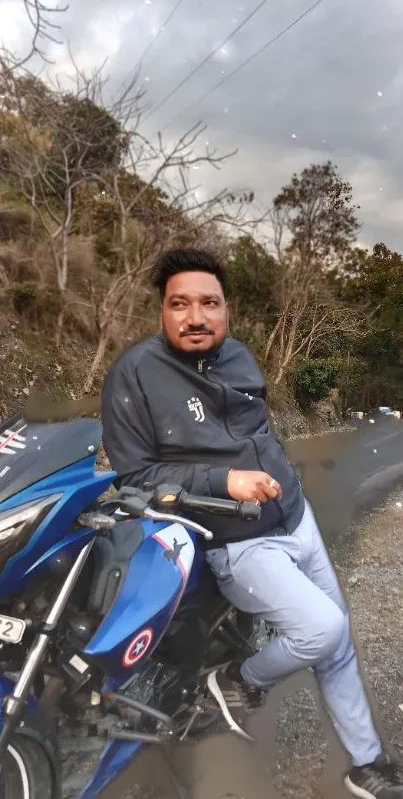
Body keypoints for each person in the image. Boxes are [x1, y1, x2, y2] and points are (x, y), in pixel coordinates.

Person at [102, 247, 403, 799]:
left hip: (296, 517)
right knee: (323, 628)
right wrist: (225, 482)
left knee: (335, 646)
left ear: (226, 309)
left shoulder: (239, 355)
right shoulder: (134, 375)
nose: (196, 316)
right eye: (180, 304)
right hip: (238, 542)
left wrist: (278, 474)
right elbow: (135, 477)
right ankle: (239, 680)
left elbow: (257, 435)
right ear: (162, 311)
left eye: (209, 303)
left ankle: (367, 764)